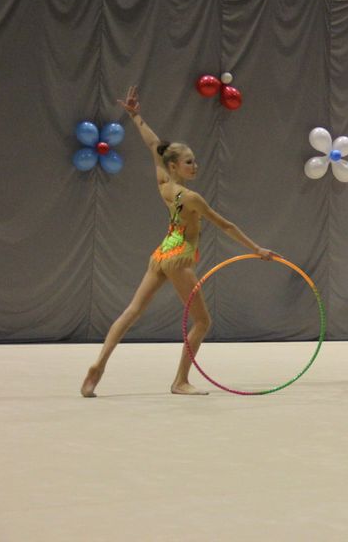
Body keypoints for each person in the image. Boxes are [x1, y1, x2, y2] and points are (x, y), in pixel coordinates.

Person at [80, 86, 276, 397]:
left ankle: (99, 365)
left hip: (161, 253)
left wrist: (135, 116)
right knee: (202, 322)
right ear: (174, 166)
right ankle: (180, 381)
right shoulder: (192, 197)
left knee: (132, 311)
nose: (194, 166)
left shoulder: (164, 184)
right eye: (188, 162)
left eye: (194, 161)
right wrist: (257, 249)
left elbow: (154, 144)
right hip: (180, 256)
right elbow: (225, 225)